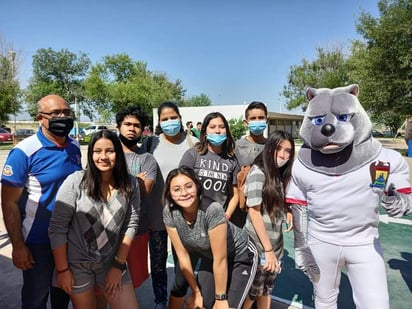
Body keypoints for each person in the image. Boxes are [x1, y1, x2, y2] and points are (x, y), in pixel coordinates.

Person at [1, 94, 81, 309]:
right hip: (38, 242)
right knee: (35, 299)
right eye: (55, 113)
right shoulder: (23, 152)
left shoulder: (74, 147)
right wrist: (18, 246)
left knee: (62, 295)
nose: (63, 117)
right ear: (40, 118)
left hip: (68, 239)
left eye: (66, 112)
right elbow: (8, 203)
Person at [48, 129, 140, 309]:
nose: (103, 156)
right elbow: (57, 228)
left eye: (110, 151)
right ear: (90, 154)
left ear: (118, 153)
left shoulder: (130, 183)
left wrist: (118, 265)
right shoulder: (75, 182)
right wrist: (63, 270)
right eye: (97, 151)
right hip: (77, 265)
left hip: (112, 260)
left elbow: (132, 222)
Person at [163, 166, 258, 309]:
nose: (183, 193)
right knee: (201, 304)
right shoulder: (169, 212)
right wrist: (195, 291)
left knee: (227, 306)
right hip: (211, 257)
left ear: (197, 186)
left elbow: (221, 259)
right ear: (169, 193)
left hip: (241, 255)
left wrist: (220, 298)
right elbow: (182, 256)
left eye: (189, 186)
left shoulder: (212, 210)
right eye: (176, 189)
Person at [140, 101, 199, 308]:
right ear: (159, 121)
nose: (169, 122)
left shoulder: (192, 142)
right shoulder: (150, 144)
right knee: (157, 262)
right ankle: (160, 300)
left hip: (183, 216)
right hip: (156, 215)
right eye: (164, 119)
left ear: (180, 118)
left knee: (184, 260)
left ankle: (180, 296)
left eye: (173, 117)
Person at [115, 106, 164, 307]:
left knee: (130, 281)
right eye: (127, 124)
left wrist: (118, 182)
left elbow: (144, 192)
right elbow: (96, 188)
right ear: (118, 126)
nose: (132, 129)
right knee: (102, 282)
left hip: (136, 229)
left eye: (137, 125)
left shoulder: (147, 159)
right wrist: (134, 180)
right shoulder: (107, 151)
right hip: (105, 230)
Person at [242, 131, 294, 309]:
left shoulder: (277, 174)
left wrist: (286, 210)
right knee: (252, 292)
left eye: (288, 151)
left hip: (273, 247)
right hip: (259, 247)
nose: (283, 155)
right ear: (270, 147)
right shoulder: (258, 173)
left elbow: (273, 201)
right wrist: (268, 250)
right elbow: (254, 212)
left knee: (267, 289)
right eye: (279, 149)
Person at [179, 112, 240, 223]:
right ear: (205, 131)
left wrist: (226, 216)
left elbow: (235, 195)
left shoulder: (232, 160)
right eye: (212, 127)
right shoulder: (193, 154)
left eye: (222, 127)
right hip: (191, 218)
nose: (217, 131)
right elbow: (181, 187)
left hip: (217, 221)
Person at [234, 101, 269, 227]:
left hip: (266, 207)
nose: (257, 121)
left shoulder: (272, 146)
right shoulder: (236, 146)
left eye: (261, 118)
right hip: (241, 207)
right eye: (253, 118)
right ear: (246, 122)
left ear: (267, 120)